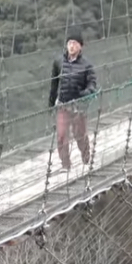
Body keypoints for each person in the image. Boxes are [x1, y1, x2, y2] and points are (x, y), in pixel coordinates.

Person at [49, 30, 98, 172]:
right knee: (62, 136)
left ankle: (86, 156)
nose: (71, 46)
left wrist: (84, 93)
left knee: (80, 135)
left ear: (80, 46)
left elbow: (92, 84)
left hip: (78, 107)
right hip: (63, 105)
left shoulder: (87, 65)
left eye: (74, 43)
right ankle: (66, 165)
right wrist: (51, 103)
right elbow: (54, 84)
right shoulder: (58, 62)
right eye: (69, 43)